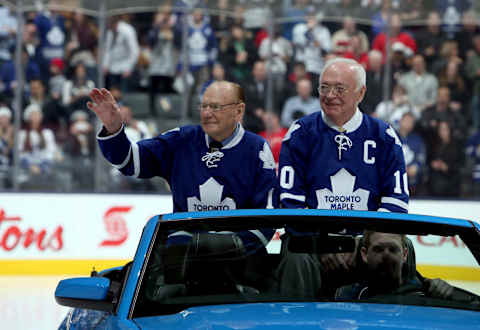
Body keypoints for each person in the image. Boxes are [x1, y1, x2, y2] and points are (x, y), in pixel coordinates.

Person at [88, 80, 277, 249]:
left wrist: (232, 248)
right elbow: (130, 161)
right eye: (204, 106)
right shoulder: (181, 140)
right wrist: (113, 129)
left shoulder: (257, 149)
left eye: (217, 107)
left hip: (240, 261)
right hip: (183, 259)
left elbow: (266, 218)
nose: (208, 113)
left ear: (239, 110)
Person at [279, 58, 409, 212]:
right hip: (312, 233)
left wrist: (373, 232)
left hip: (371, 233)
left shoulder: (383, 136)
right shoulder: (300, 133)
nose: (330, 95)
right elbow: (290, 199)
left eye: (340, 89)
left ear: (360, 93)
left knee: (386, 237)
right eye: (324, 88)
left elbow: (396, 199)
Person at [335, 231, 454, 300]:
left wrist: (446, 295)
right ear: (364, 254)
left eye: (393, 249)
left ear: (405, 255)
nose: (386, 255)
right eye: (378, 249)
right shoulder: (345, 296)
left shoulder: (429, 294)